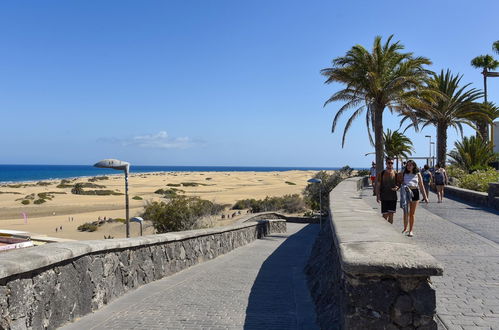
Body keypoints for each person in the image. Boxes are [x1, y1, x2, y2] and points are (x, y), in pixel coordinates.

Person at [400, 160, 428, 237]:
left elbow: (421, 185)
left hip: (415, 192)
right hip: (406, 192)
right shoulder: (404, 173)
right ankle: (405, 228)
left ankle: (411, 230)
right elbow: (399, 181)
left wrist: (425, 197)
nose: (409, 166)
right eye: (408, 165)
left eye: (410, 165)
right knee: (405, 212)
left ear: (413, 166)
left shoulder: (417, 173)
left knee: (412, 214)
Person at [376, 157, 399, 224]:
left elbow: (398, 184)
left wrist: (397, 188)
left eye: (392, 163)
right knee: (385, 215)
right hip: (384, 197)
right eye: (389, 163)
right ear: (386, 163)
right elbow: (378, 185)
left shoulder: (395, 173)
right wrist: (377, 196)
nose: (390, 164)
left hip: (393, 197)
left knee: (391, 215)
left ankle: (390, 231)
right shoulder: (382, 173)